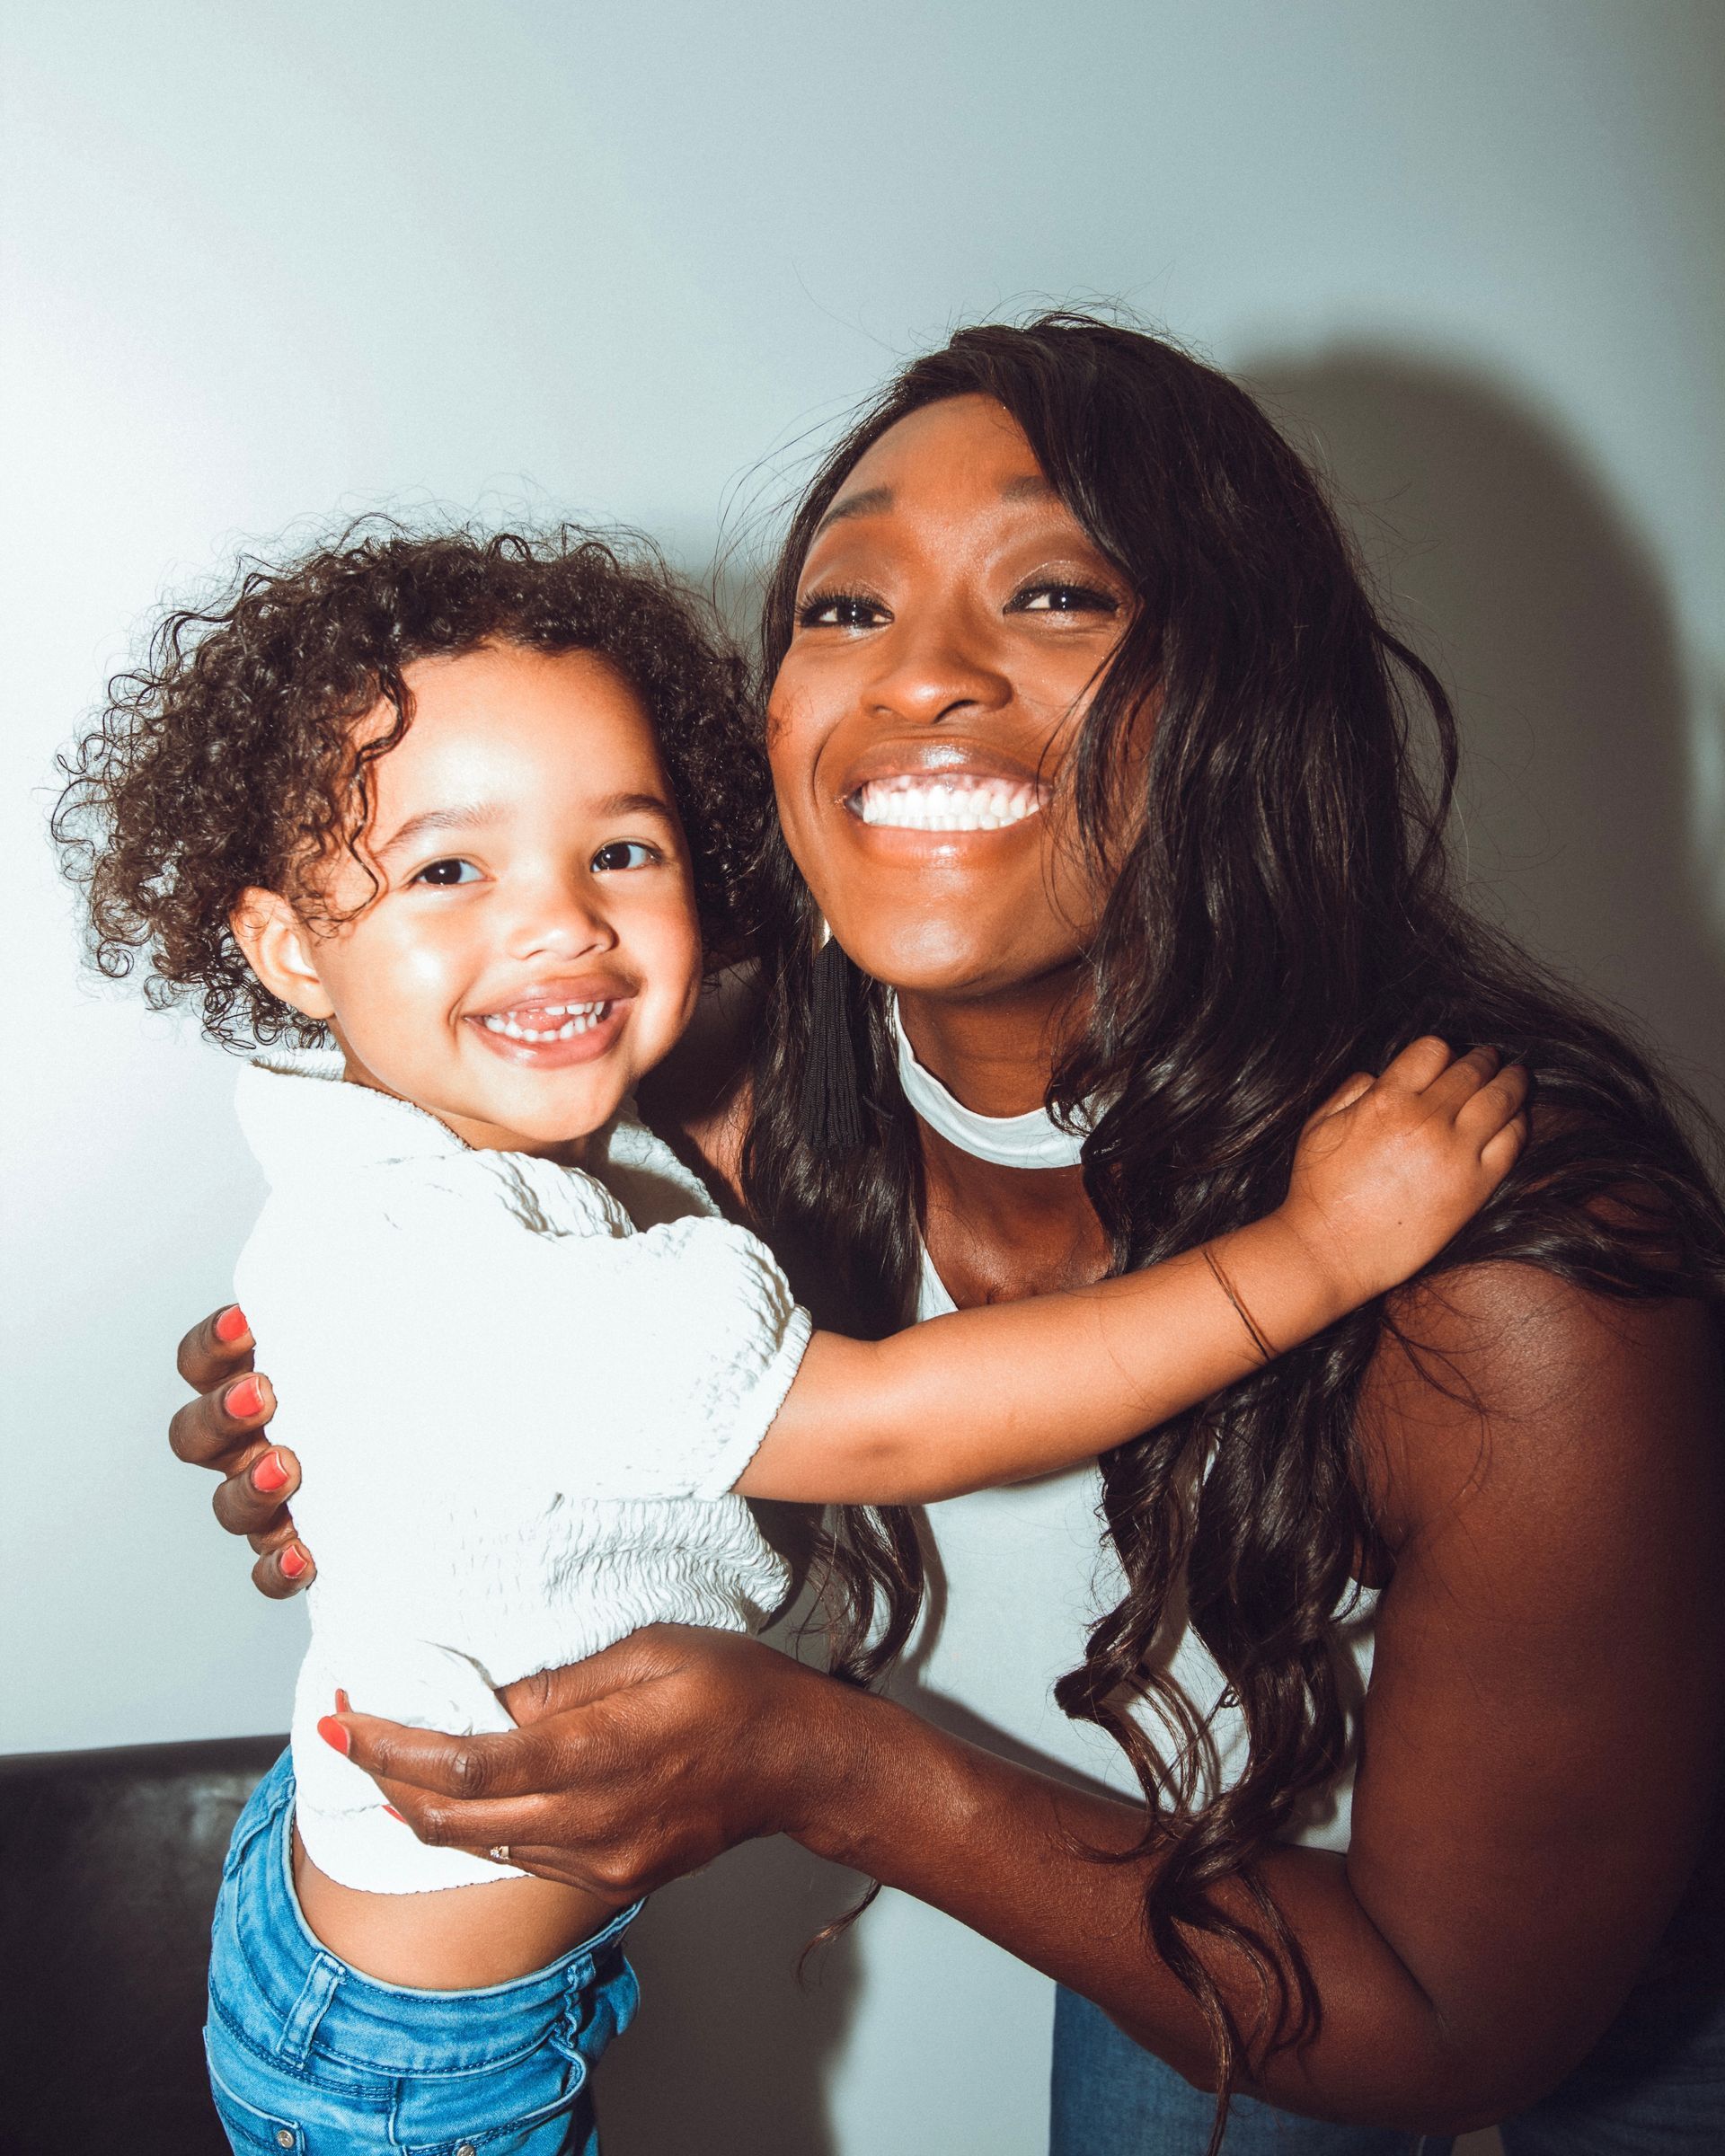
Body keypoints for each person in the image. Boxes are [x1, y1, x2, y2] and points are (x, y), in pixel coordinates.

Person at [170, 319, 1725, 2153]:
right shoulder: (682, 1106)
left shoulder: (1512, 1279)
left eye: (1055, 592)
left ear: (1240, 694)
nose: (921, 675)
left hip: (1496, 1982)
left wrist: (837, 1769)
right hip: (1156, 1878)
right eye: (847, 608)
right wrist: (329, 1443)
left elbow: (1445, 2026)